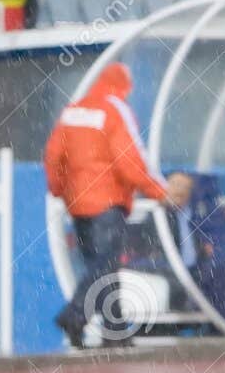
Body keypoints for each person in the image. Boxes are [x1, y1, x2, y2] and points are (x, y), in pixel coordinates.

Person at [44, 62, 169, 348]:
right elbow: (131, 161)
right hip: (107, 202)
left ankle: (115, 330)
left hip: (77, 204)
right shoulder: (115, 110)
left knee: (100, 267)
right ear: (125, 86)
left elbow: (53, 155)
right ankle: (74, 315)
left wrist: (59, 189)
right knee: (103, 265)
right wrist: (158, 191)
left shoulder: (73, 110)